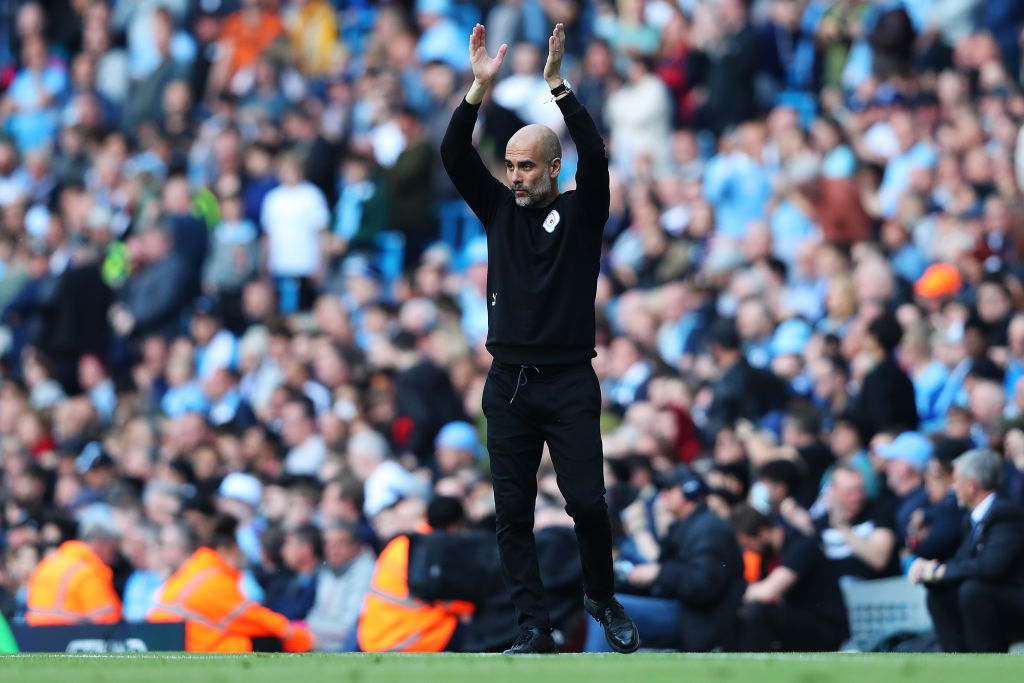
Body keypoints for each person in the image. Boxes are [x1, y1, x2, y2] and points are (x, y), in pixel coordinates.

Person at [440, 23, 638, 654]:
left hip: (570, 380)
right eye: (512, 166)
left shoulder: (583, 213)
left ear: (554, 167)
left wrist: (557, 86)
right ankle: (533, 627)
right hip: (508, 384)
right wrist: (477, 90)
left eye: (527, 166)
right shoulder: (498, 209)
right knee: (510, 514)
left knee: (587, 501)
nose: (516, 176)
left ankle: (600, 599)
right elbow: (453, 155)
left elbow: (598, 158)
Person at [585, 470, 745, 652]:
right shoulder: (690, 525)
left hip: (698, 618)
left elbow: (703, 585)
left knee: (607, 609)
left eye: (670, 489)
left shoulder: (710, 527)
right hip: (686, 611)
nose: (663, 495)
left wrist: (659, 572)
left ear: (690, 491)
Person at [909, 449, 1024, 652]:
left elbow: (990, 567)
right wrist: (932, 569)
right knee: (939, 592)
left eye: (956, 481)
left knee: (973, 590)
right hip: (993, 600)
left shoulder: (1007, 513)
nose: (953, 488)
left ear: (971, 486)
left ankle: (985, 661)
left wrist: (940, 571)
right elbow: (962, 561)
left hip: (1015, 603)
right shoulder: (972, 518)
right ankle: (956, 661)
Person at [148, 515, 314, 653]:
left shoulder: (194, 570)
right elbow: (254, 618)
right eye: (237, 550)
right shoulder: (213, 577)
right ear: (223, 550)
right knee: (270, 641)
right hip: (193, 650)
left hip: (169, 646)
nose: (241, 556)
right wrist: (302, 639)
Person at [732, 504, 849, 652]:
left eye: (749, 545)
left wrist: (732, 597)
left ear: (763, 533)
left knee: (756, 612)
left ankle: (757, 668)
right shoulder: (766, 557)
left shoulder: (800, 545)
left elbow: (768, 590)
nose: (749, 551)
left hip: (825, 627)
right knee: (740, 615)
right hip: (796, 623)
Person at [25, 513, 122, 625]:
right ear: (100, 544)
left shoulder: (47, 564)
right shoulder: (89, 572)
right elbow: (108, 621)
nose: (114, 558)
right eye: (113, 550)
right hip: (72, 638)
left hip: (36, 638)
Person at [305, 521, 375, 652]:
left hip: (352, 647)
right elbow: (317, 613)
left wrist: (305, 633)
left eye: (340, 543)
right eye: (328, 543)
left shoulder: (367, 571)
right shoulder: (328, 568)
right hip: (322, 640)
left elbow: (349, 627)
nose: (333, 549)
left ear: (357, 546)